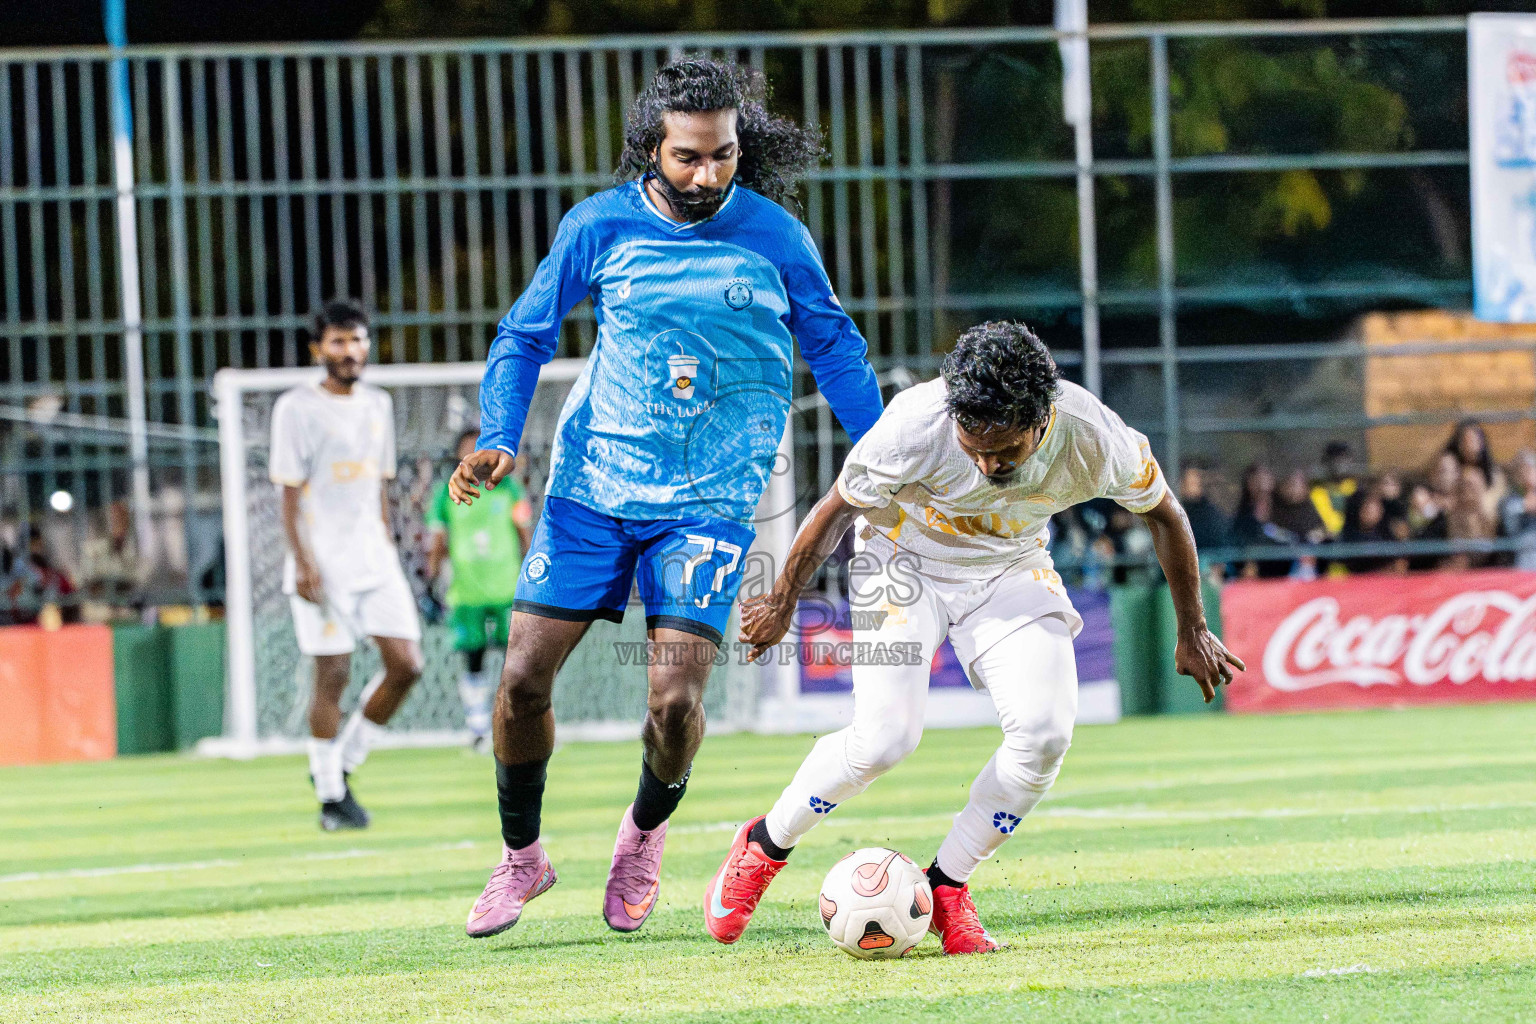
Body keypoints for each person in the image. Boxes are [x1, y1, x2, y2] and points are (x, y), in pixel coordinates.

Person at [451, 57, 884, 939]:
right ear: (653, 145)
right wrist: (499, 434)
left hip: (711, 498)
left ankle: (642, 838)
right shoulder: (599, 227)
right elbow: (524, 333)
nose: (706, 174)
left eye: (723, 155)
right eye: (688, 156)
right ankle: (522, 860)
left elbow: (836, 351)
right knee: (522, 680)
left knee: (675, 703)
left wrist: (883, 461)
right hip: (592, 487)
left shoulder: (775, 237)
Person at [701, 321, 1241, 955]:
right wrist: (783, 599)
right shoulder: (915, 422)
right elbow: (837, 506)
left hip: (1009, 567)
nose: (988, 464)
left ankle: (947, 885)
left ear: (1043, 421)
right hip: (900, 560)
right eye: (974, 445)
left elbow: (1166, 515)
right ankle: (764, 846)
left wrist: (1193, 625)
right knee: (884, 739)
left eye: (1005, 452)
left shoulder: (1094, 437)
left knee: (1044, 734)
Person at [270, 300, 425, 832]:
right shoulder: (296, 408)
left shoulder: (378, 405)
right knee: (332, 672)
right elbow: (288, 495)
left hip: (373, 559)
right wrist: (304, 564)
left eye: (357, 340)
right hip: (322, 565)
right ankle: (332, 797)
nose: (350, 350)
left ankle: (342, 763)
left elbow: (379, 486)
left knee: (407, 665)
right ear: (318, 350)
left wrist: (386, 544)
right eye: (337, 341)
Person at [426, 430, 533, 751]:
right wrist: (431, 582)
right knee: (473, 657)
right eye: (467, 448)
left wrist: (532, 571)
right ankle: (477, 727)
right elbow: (438, 539)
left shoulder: (510, 488)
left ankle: (515, 725)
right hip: (466, 588)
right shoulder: (446, 493)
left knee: (514, 659)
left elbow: (523, 531)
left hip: (507, 587)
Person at [1446, 419, 1507, 519]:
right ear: (1459, 444)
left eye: (1475, 438)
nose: (1471, 443)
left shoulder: (1494, 473)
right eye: (1466, 439)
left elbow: (1492, 505)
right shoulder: (1450, 466)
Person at [1309, 441, 1357, 537]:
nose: (1341, 464)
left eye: (1345, 459)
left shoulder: (1356, 489)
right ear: (1326, 462)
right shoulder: (1317, 491)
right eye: (1336, 459)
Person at [1500, 450, 1536, 570]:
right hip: (1524, 559)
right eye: (1521, 470)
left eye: (1529, 469)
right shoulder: (1509, 500)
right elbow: (1511, 525)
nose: (1525, 474)